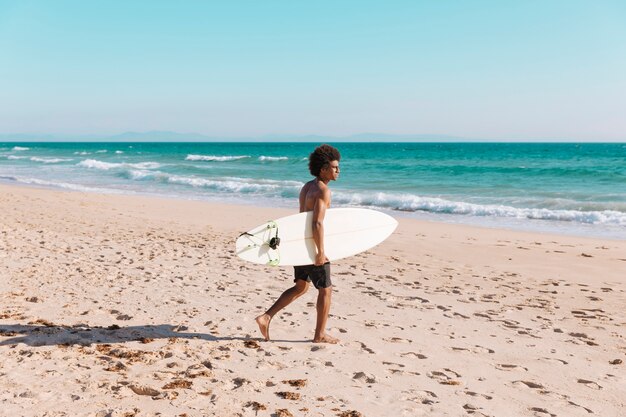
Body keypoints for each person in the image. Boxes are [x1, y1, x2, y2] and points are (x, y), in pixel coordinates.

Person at [256, 144, 341, 344]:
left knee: (301, 287)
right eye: (335, 167)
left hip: (301, 244)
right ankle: (320, 335)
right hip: (312, 246)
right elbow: (317, 222)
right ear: (323, 169)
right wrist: (320, 252)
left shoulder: (307, 187)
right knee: (325, 290)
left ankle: (266, 317)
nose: (338, 171)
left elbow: (302, 217)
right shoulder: (323, 190)